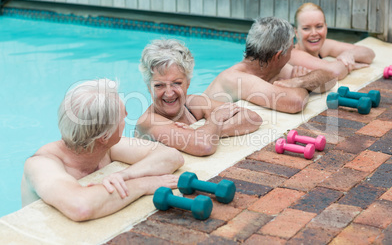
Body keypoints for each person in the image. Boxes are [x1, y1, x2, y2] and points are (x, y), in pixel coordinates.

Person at [21, 79, 184, 222]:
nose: (127, 117)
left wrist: (124, 175)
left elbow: (171, 156)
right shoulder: (41, 164)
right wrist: (144, 184)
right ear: (104, 136)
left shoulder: (106, 148)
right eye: (123, 117)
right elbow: (81, 206)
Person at [135, 39, 262, 156]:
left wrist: (211, 131)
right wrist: (215, 118)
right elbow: (204, 146)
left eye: (177, 83)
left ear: (188, 82)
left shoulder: (193, 103)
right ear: (148, 87)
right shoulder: (148, 121)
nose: (169, 93)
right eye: (159, 85)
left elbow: (253, 118)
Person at [204, 17, 336, 114]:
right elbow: (295, 102)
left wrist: (299, 81)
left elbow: (330, 78)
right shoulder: (237, 79)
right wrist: (305, 85)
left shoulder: (274, 68)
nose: (292, 52)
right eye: (291, 49)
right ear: (278, 56)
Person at [289, 2, 375, 80]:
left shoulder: (323, 46)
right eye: (306, 28)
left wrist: (349, 54)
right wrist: (349, 64)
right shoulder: (293, 54)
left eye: (319, 26)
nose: (314, 33)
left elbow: (369, 54)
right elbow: (335, 72)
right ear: (296, 32)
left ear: (326, 27)